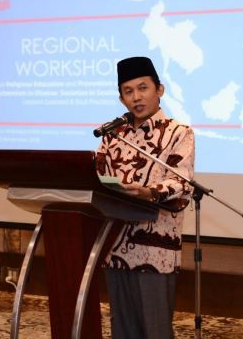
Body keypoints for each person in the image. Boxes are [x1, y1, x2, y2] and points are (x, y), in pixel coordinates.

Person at [95, 56, 195, 339]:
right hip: (115, 245)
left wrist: (149, 192)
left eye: (143, 88)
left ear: (159, 90)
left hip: (155, 248)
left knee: (155, 330)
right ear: (121, 98)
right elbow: (96, 177)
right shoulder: (112, 135)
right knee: (122, 330)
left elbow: (181, 182)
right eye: (128, 91)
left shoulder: (179, 133)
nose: (136, 97)